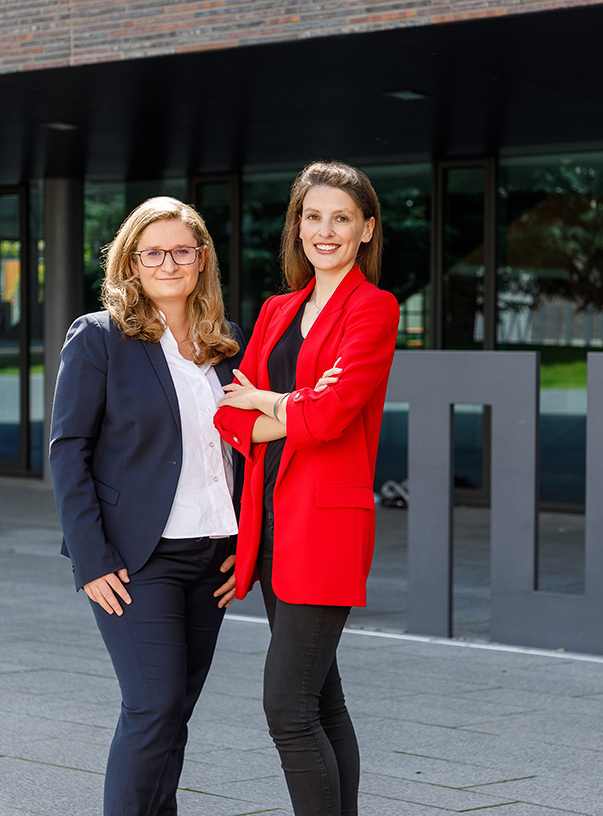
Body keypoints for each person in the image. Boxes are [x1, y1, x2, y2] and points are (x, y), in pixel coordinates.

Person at [49, 197, 246, 816]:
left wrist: (247, 550)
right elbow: (67, 450)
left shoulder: (224, 343)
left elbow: (240, 453)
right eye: (152, 251)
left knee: (173, 714)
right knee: (152, 706)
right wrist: (91, 558)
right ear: (131, 262)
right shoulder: (100, 337)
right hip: (137, 560)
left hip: (212, 555)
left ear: (201, 259)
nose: (168, 262)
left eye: (181, 251)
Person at [214, 160, 400, 815]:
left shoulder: (375, 310)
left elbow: (330, 416)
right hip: (267, 531)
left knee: (287, 707)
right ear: (298, 226)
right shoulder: (275, 309)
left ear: (367, 229)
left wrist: (267, 398)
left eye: (342, 218)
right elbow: (227, 416)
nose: (326, 230)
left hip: (326, 531)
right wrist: (285, 406)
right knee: (322, 700)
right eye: (313, 216)